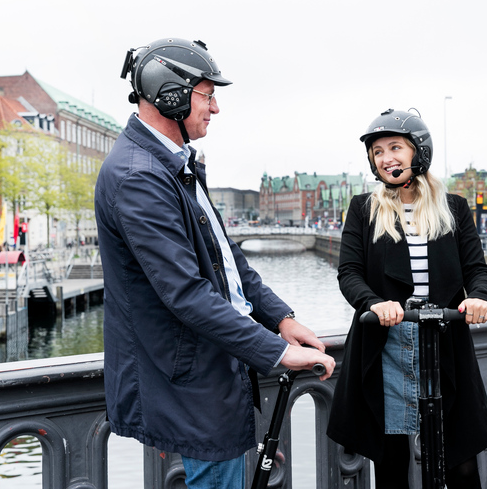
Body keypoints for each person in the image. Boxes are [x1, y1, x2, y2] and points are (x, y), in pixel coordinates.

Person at [95, 37, 335, 489]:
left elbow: (229, 262)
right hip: (189, 379)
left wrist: (280, 317)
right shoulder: (139, 177)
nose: (216, 107)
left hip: (210, 369)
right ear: (171, 94)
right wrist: (278, 353)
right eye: (208, 94)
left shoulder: (172, 164)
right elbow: (185, 293)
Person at [327, 109, 487, 488]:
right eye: (378, 152)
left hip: (444, 339)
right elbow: (349, 272)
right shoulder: (363, 209)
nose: (386, 158)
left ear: (418, 150)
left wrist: (480, 297)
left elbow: (476, 269)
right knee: (391, 463)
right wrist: (373, 302)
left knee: (462, 461)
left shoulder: (453, 208)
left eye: (395, 148)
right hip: (387, 341)